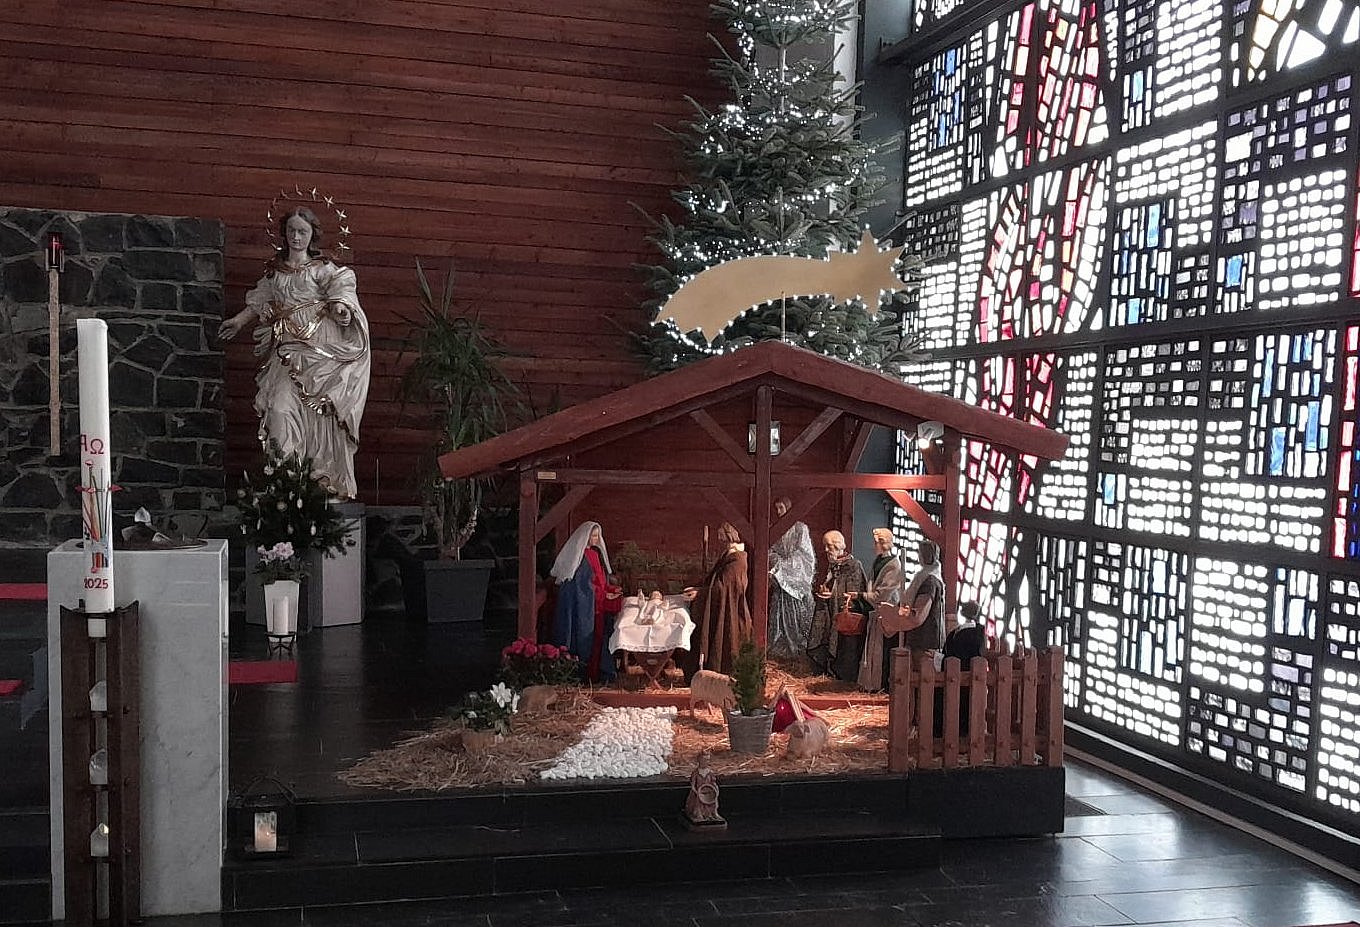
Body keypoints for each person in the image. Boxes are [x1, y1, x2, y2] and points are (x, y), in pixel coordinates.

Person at [218, 206, 371, 499]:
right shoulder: (275, 273)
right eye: (291, 231)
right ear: (284, 233)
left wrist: (341, 307)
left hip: (321, 352)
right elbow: (259, 300)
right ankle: (286, 481)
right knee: (279, 408)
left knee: (321, 415)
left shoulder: (322, 269)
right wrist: (238, 321)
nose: (296, 237)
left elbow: (342, 287)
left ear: (313, 234)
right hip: (286, 353)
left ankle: (321, 479)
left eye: (302, 231)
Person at [549, 521, 622, 683]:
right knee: (587, 639)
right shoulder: (581, 558)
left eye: (597, 536)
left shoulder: (594, 554)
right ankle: (586, 674)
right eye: (593, 536)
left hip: (597, 606)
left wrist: (609, 589)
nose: (596, 539)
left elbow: (599, 581)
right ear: (586, 537)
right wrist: (603, 595)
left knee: (599, 638)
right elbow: (584, 586)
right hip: (588, 608)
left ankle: (597, 673)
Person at [680, 522, 752, 677]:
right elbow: (714, 579)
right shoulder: (728, 555)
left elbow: (723, 587)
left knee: (728, 644)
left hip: (731, 613)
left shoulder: (737, 561)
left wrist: (701, 593)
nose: (719, 537)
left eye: (721, 534)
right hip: (721, 610)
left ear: (728, 535)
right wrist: (699, 588)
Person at [806, 529, 868, 681]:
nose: (826, 550)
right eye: (825, 546)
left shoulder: (853, 566)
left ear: (838, 546)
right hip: (830, 611)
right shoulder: (833, 566)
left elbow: (854, 593)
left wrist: (834, 595)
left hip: (846, 618)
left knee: (845, 650)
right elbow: (832, 585)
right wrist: (825, 591)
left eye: (829, 546)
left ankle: (842, 677)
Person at [854, 528, 905, 692]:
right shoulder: (878, 561)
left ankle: (880, 684)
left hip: (886, 613)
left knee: (881, 651)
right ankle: (871, 683)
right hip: (875, 612)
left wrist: (861, 595)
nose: (874, 545)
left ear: (885, 543)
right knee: (873, 650)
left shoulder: (894, 565)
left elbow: (883, 593)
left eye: (877, 542)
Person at [767, 496, 815, 660]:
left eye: (781, 508)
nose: (778, 512)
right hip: (781, 580)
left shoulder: (800, 528)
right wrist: (777, 563)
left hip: (795, 580)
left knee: (797, 617)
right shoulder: (775, 528)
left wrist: (785, 567)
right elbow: (770, 551)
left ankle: (798, 649)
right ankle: (780, 649)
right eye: (776, 508)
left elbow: (805, 555)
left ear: (788, 508)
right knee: (779, 617)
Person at [896, 539, 946, 654]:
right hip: (923, 638)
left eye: (920, 553)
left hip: (925, 640)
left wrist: (902, 613)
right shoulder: (927, 576)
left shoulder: (929, 580)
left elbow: (919, 613)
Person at [683, 751, 725, 828]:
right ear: (699, 760)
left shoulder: (710, 772)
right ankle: (700, 815)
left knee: (713, 800)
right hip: (699, 792)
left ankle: (713, 813)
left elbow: (713, 783)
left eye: (708, 760)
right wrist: (697, 792)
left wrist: (716, 790)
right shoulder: (696, 773)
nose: (706, 762)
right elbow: (693, 785)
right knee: (699, 800)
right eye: (704, 760)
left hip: (709, 791)